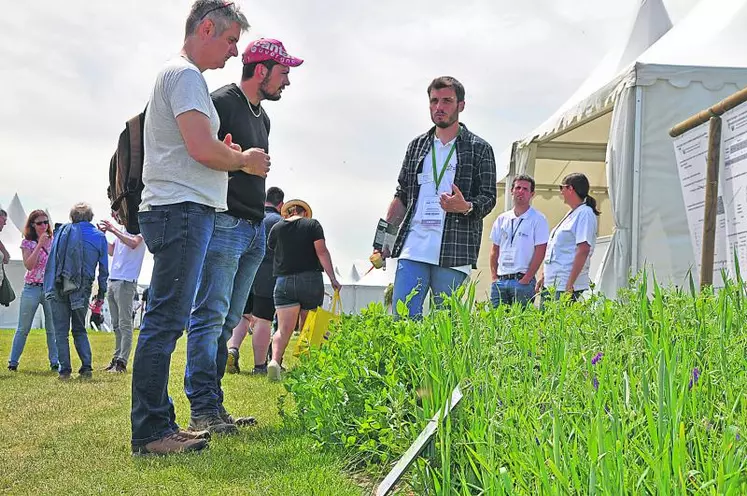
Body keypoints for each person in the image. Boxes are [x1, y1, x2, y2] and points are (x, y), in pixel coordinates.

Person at [130, 0, 261, 457]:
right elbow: (202, 150)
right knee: (165, 322)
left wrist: (219, 152)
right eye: (229, 41)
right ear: (206, 28)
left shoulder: (183, 77)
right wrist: (242, 160)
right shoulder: (185, 76)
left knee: (167, 321)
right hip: (181, 209)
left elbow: (198, 147)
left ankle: (160, 423)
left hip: (181, 208)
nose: (232, 53)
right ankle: (150, 432)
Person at [185, 38, 301, 433]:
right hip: (223, 223)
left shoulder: (262, 118)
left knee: (231, 318)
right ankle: (202, 409)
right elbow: (197, 154)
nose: (286, 81)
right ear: (262, 69)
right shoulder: (222, 102)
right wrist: (239, 164)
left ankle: (214, 408)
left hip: (253, 230)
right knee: (210, 317)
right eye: (283, 72)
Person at [377, 76, 496, 319]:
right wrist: (383, 242)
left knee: (444, 323)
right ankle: (407, 359)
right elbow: (401, 195)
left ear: (461, 105)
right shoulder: (417, 146)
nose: (438, 107)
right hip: (413, 247)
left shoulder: (479, 148)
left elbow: (488, 197)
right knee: (403, 318)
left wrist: (465, 207)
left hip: (454, 250)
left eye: (446, 101)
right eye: (433, 101)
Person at [266, 199, 342, 382]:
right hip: (310, 280)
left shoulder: (276, 228)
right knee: (309, 328)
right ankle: (308, 368)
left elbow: (271, 248)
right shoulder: (312, 225)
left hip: (284, 282)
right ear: (305, 213)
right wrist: (332, 278)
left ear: (288, 213)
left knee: (283, 329)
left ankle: (275, 361)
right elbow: (322, 252)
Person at [43, 203, 108, 381]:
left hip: (59, 282)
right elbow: (104, 269)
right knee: (79, 328)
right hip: (83, 286)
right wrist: (101, 292)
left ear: (72, 217)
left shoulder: (62, 232)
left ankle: (65, 371)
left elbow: (53, 261)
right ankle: (86, 367)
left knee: (61, 331)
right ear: (91, 217)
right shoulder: (99, 236)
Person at [226, 186, 285, 375]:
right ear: (281, 204)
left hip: (244, 272)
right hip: (267, 276)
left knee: (243, 316)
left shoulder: (252, 216)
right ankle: (259, 366)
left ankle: (232, 349)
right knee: (263, 320)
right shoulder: (280, 222)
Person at [536, 173, 600, 301]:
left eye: (562, 188)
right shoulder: (573, 212)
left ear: (570, 189)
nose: (561, 192)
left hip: (565, 284)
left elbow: (584, 249)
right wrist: (544, 275)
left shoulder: (585, 213)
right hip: (553, 282)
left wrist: (570, 284)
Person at [7, 210, 58, 371]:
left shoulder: (54, 241)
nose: (44, 226)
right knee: (23, 328)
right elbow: (29, 265)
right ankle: (13, 362)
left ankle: (55, 362)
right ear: (32, 225)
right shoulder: (27, 243)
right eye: (40, 223)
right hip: (32, 288)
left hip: (49, 288)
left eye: (46, 222)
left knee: (52, 329)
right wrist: (40, 245)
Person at [489, 174, 549, 307]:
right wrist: (494, 277)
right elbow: (495, 249)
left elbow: (541, 251)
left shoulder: (538, 219)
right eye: (518, 188)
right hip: (501, 279)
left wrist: (528, 277)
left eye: (525, 189)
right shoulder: (502, 219)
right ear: (512, 191)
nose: (520, 191)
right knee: (497, 323)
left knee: (520, 323)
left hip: (522, 280)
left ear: (532, 194)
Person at [98, 216, 146, 373]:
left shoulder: (139, 228)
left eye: (117, 213)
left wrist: (113, 229)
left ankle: (122, 362)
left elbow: (134, 243)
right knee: (116, 324)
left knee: (125, 324)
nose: (115, 216)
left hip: (126, 281)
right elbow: (111, 251)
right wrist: (102, 236)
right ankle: (117, 358)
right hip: (114, 279)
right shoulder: (123, 231)